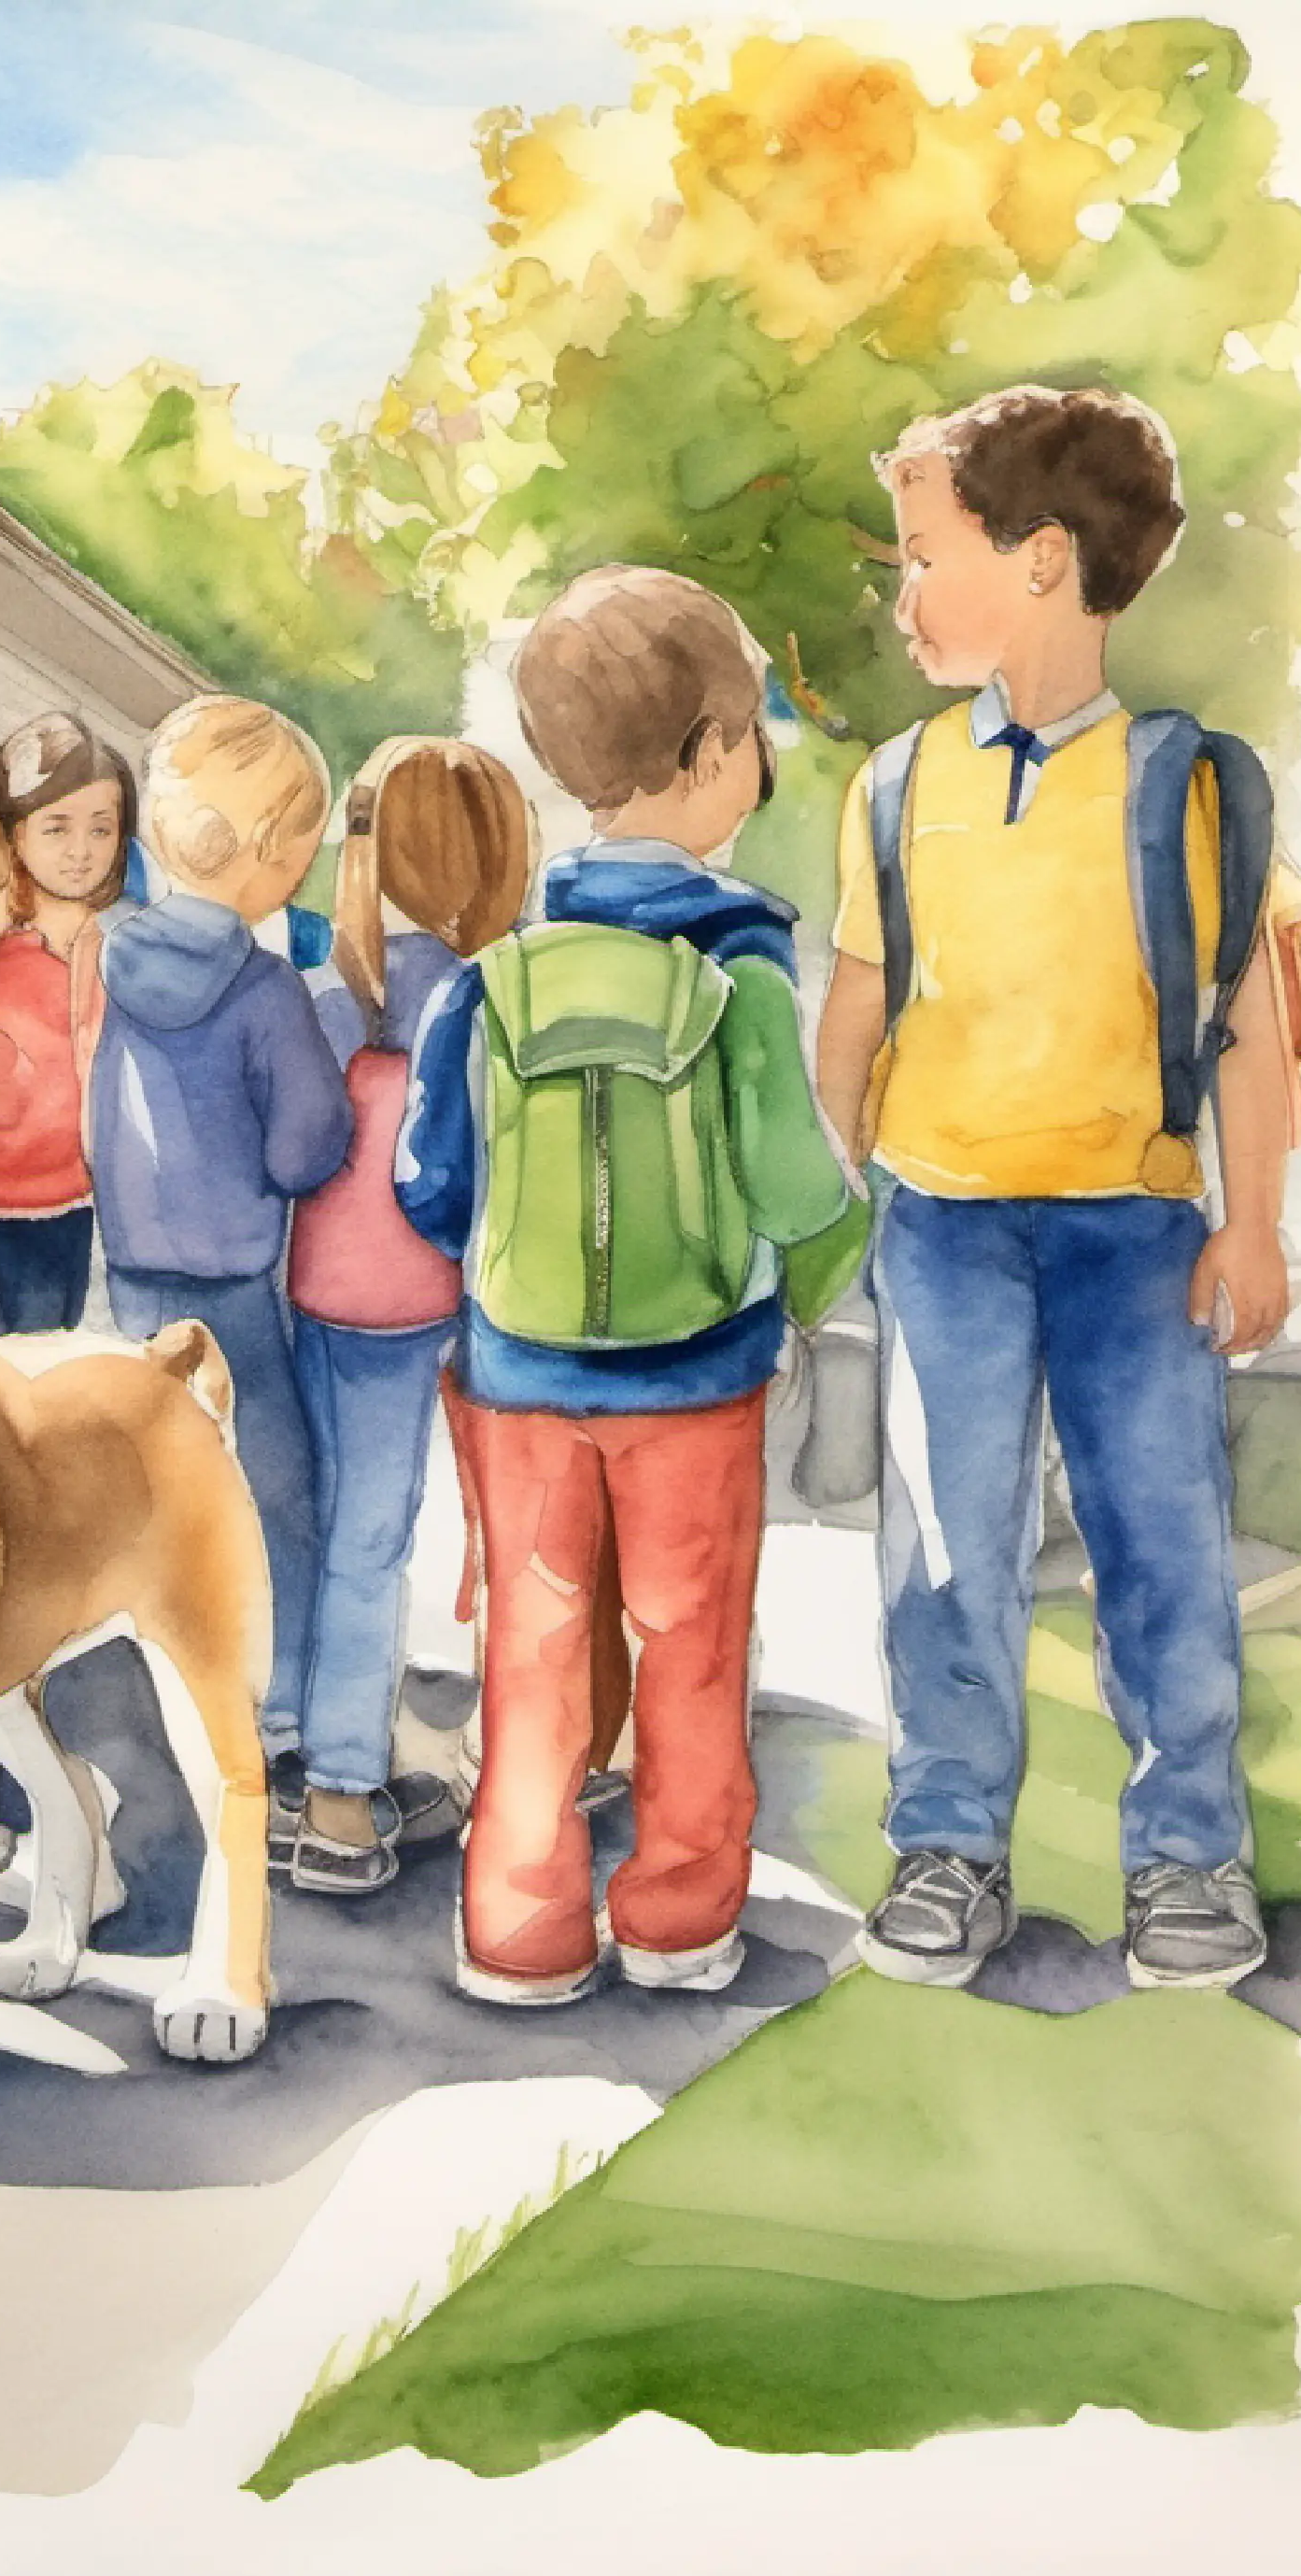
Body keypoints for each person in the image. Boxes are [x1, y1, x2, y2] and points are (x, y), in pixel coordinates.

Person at [813, 384, 1291, 1992]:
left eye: (922, 555)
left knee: (1161, 1543)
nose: (900, 593)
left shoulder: (1186, 783)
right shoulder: (890, 785)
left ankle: (1187, 1862)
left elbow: (1247, 1034)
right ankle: (948, 1847)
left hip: (1130, 1230)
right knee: (949, 1550)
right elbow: (859, 1014)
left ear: (1038, 562)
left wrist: (1254, 1226)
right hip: (942, 1225)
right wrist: (865, 1168)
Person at [399, 567, 856, 2006]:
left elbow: (429, 1179)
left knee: (532, 1656)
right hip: (699, 1377)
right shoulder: (746, 965)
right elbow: (798, 1184)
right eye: (755, 744)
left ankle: (520, 1929)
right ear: (715, 749)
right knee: (691, 1651)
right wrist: (809, 1290)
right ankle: (675, 1917)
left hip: (521, 1379)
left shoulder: (494, 974)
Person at [280, 739, 530, 1895]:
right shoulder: (489, 995)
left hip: (334, 1289)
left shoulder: (331, 990)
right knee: (470, 1536)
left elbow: (297, 1151)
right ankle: (346, 1790)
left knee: (348, 1537)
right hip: (459, 1286)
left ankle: (325, 1772)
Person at [91, 695, 353, 1775]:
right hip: (237, 1288)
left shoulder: (108, 963)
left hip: (133, 1278)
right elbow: (303, 1148)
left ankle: (169, 1679)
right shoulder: (265, 988)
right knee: (278, 1492)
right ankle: (278, 1695)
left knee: (155, 1493)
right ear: (274, 855)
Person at [0, 714, 140, 1333]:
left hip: (79, 1200)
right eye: (56, 828)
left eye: (100, 829)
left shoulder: (120, 945)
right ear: (15, 836)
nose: (80, 850)